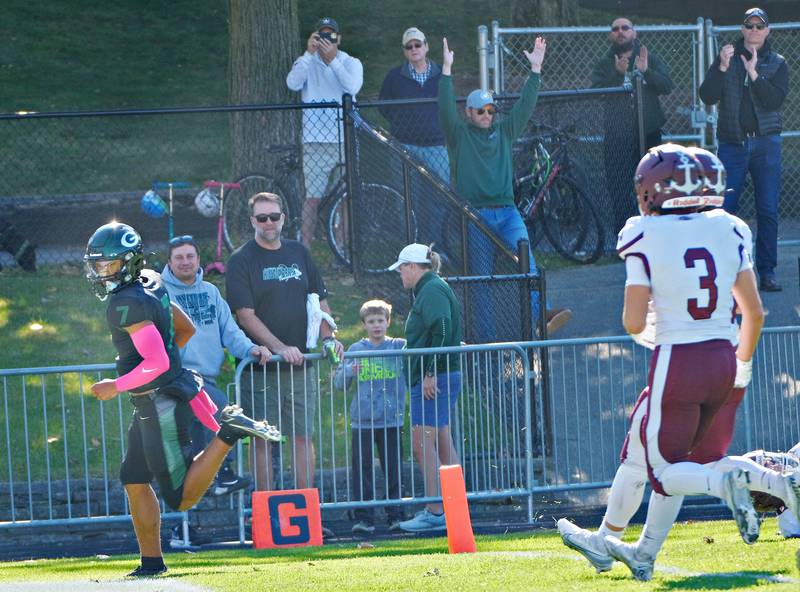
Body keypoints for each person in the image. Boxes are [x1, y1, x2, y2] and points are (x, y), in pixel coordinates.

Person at [554, 144, 799, 580]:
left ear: (650, 190)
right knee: (648, 455)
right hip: (726, 359)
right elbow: (755, 312)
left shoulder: (643, 232)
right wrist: (741, 368)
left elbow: (632, 320)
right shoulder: (729, 227)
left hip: (678, 359)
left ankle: (750, 485)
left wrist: (653, 328)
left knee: (667, 471)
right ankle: (629, 547)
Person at [83, 222, 280, 578]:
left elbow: (155, 361)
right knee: (134, 478)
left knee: (181, 498)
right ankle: (151, 562)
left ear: (127, 262)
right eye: (98, 265)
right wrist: (171, 368)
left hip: (160, 402)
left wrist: (118, 384)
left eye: (108, 264)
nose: (101, 272)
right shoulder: (149, 280)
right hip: (160, 395)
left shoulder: (124, 303)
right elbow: (185, 328)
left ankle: (229, 433)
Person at [438, 37, 571, 339]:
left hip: (508, 213)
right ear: (468, 113)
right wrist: (446, 71)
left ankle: (542, 315)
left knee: (529, 265)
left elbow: (525, 105)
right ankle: (485, 338)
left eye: (490, 110)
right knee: (481, 279)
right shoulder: (459, 134)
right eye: (480, 110)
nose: (487, 115)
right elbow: (445, 108)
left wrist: (535, 70)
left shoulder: (504, 130)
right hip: (476, 217)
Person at [225, 192, 344, 498]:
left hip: (301, 366)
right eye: (262, 218)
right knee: (262, 439)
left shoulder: (299, 253)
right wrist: (278, 348)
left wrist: (330, 338)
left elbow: (318, 301)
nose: (268, 223)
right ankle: (266, 509)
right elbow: (245, 316)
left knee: (303, 437)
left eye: (273, 217)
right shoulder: (241, 260)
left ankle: (306, 506)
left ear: (283, 218)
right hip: (262, 368)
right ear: (252, 221)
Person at [162, 235, 273, 547]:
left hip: (204, 379)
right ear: (169, 262)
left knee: (194, 461)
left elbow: (231, 332)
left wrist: (252, 349)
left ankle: (184, 530)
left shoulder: (210, 292)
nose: (185, 262)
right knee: (224, 413)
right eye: (179, 257)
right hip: (176, 380)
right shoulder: (160, 293)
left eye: (190, 256)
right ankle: (223, 475)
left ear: (199, 260)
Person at [699, 7, 789, 293]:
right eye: (749, 26)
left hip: (765, 145)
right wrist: (722, 68)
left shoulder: (777, 63)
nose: (753, 31)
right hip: (732, 145)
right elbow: (707, 95)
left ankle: (767, 271)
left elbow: (774, 101)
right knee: (725, 209)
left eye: (758, 26)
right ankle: (723, 272)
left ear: (767, 31)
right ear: (742, 29)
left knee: (767, 209)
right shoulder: (727, 58)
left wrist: (754, 74)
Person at [385, 244, 462, 533]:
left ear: (415, 266)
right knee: (441, 440)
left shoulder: (431, 290)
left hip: (434, 379)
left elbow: (441, 328)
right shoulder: (434, 288)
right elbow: (444, 331)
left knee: (421, 442)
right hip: (440, 375)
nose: (400, 274)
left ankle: (435, 510)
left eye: (402, 268)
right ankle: (452, 507)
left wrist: (430, 371)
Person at [591, 17, 675, 234]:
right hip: (618, 136)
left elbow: (667, 86)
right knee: (618, 189)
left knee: (653, 185)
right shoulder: (604, 64)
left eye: (625, 28)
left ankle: (655, 235)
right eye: (615, 29)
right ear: (611, 35)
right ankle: (627, 238)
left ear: (634, 32)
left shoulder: (649, 57)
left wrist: (646, 71)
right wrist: (617, 75)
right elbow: (596, 92)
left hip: (648, 134)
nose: (620, 32)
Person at [286, 16, 363, 247]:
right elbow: (292, 83)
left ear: (338, 38)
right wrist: (309, 54)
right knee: (312, 199)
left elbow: (352, 87)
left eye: (331, 35)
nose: (327, 40)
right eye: (322, 35)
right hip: (315, 141)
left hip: (345, 139)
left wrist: (333, 61)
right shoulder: (307, 62)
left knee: (346, 199)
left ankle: (343, 249)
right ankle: (305, 248)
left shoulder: (351, 62)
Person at [333, 299, 407, 535]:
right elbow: (338, 384)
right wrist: (348, 371)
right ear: (364, 324)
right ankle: (364, 517)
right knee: (362, 469)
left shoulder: (399, 347)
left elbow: (422, 353)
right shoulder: (356, 350)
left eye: (380, 321)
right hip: (363, 420)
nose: (376, 325)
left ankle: (396, 514)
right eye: (371, 321)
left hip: (391, 418)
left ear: (388, 322)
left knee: (393, 468)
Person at [379, 27, 451, 248]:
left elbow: (449, 103)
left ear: (426, 47)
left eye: (418, 44)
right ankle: (410, 247)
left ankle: (436, 246)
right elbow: (383, 107)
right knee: (407, 199)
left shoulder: (442, 74)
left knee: (440, 197)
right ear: (404, 51)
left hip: (436, 147)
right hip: (404, 146)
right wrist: (403, 123)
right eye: (409, 46)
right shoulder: (394, 77)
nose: (414, 49)